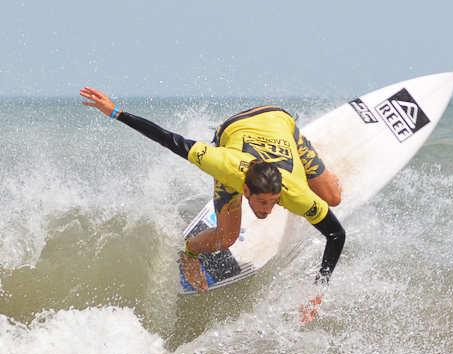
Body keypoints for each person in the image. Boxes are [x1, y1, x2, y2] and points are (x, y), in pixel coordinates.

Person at [79, 87, 345, 295]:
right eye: (262, 202)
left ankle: (301, 144)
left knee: (333, 198)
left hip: (278, 119)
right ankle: (189, 252)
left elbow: (336, 234)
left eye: (274, 202)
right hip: (235, 128)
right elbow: (169, 139)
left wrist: (318, 286)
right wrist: (115, 112)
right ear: (245, 189)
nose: (267, 210)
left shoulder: (295, 193)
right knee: (225, 238)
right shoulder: (223, 164)